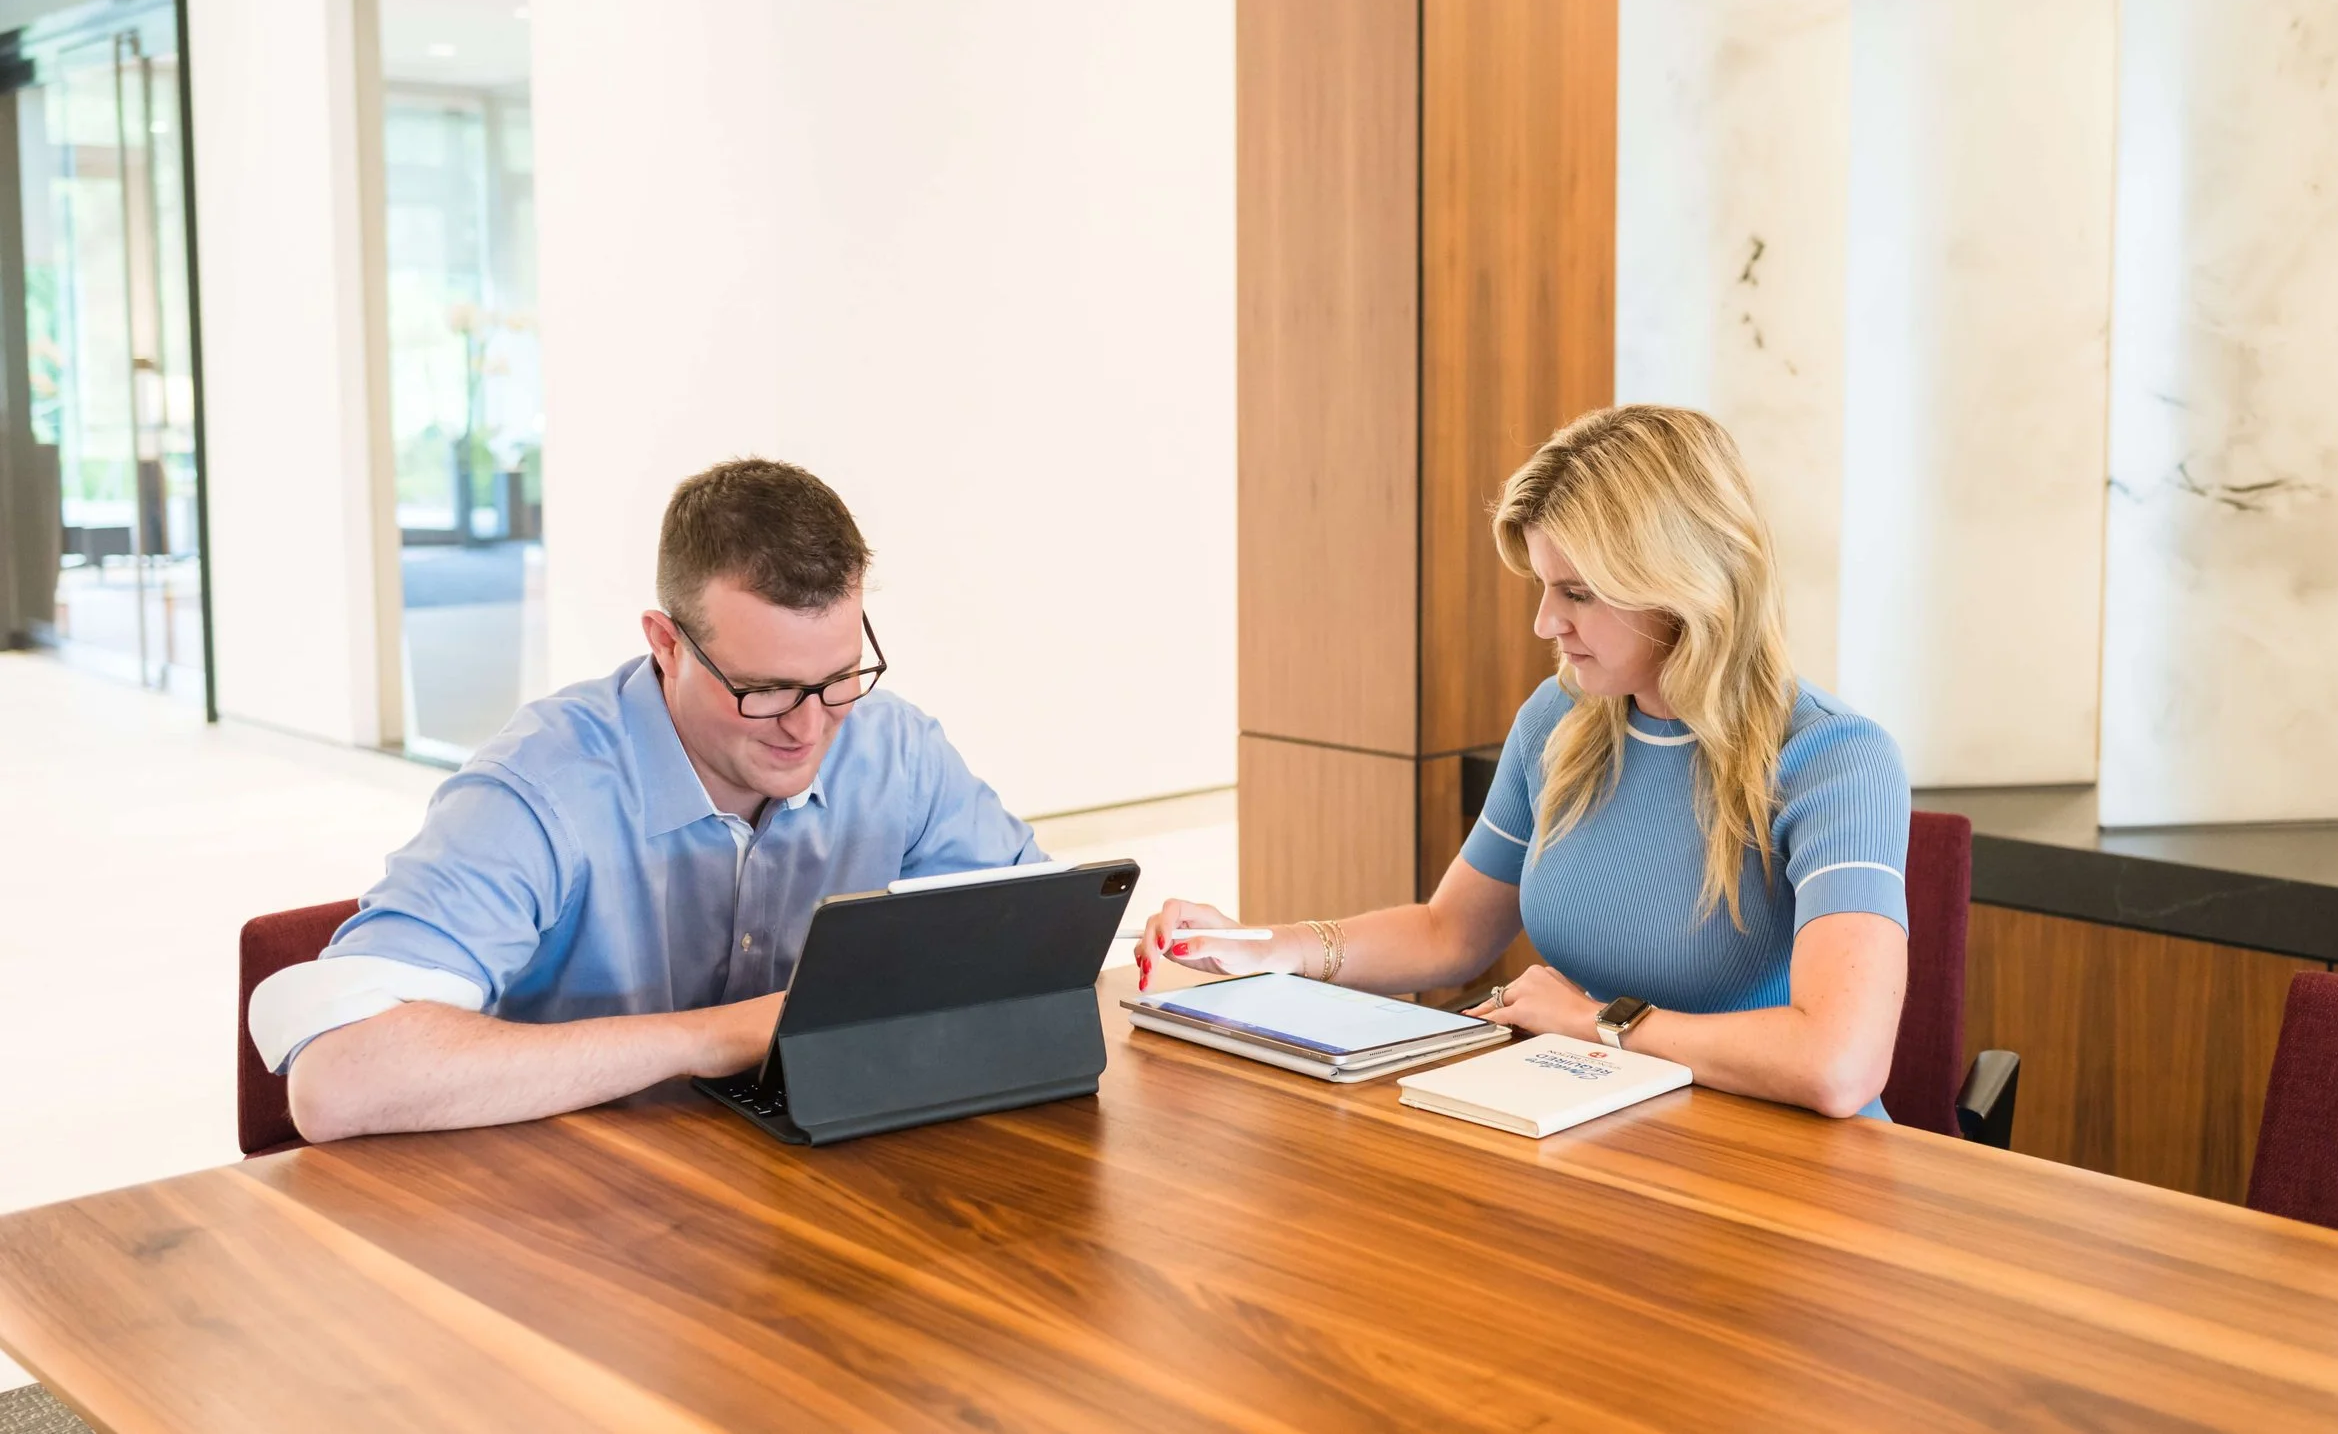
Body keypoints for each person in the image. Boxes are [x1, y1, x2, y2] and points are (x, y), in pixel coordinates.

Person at [1142, 404, 1910, 1119]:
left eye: (1577, 592)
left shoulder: (1835, 759)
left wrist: (1594, 1023)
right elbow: (1450, 932)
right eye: (1546, 587)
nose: (1548, 621)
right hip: (1609, 1122)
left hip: (1788, 1171)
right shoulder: (1559, 720)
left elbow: (1838, 1061)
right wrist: (1269, 949)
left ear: (1683, 587)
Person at [253, 458, 1044, 1141]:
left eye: (838, 679)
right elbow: (335, 1080)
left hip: (802, 1197)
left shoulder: (892, 746)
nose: (809, 727)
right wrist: (715, 1036)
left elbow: (1039, 933)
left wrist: (1160, 944)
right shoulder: (539, 788)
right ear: (667, 644)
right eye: (765, 689)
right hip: (566, 1227)